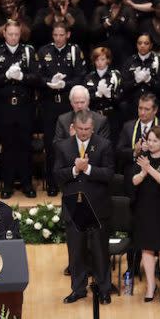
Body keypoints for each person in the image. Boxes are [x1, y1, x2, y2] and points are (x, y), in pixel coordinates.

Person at [55, 111, 114, 304]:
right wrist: (74, 169)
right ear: (73, 127)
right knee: (76, 252)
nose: (83, 133)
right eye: (80, 129)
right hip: (75, 206)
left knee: (100, 251)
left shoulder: (104, 145)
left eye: (87, 129)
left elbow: (109, 174)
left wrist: (87, 169)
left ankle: (104, 289)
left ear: (93, 127)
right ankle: (78, 289)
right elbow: (57, 175)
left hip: (97, 206)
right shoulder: (63, 146)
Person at [0, 20, 41, 199]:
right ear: (4, 33)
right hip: (4, 108)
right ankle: (7, 184)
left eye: (16, 34)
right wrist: (6, 76)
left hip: (25, 107)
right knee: (8, 147)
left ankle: (27, 184)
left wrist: (22, 77)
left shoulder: (28, 51)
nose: (13, 37)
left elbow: (37, 78)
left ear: (20, 34)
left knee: (25, 146)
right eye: (10, 34)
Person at [129, 126, 160, 304]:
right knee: (147, 247)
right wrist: (142, 172)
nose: (150, 143)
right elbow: (133, 181)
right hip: (145, 208)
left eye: (154, 141)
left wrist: (148, 169)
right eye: (148, 140)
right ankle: (151, 286)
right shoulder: (142, 157)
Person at [38, 22, 87, 195]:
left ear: (68, 34)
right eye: (55, 35)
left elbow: (81, 76)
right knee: (52, 145)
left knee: (72, 144)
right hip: (50, 104)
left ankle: (71, 182)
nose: (58, 38)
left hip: (69, 105)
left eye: (61, 35)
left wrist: (65, 84)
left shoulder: (74, 51)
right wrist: (49, 83)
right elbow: (38, 77)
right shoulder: (44, 51)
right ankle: (52, 183)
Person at [116, 93, 160, 169]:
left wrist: (154, 149)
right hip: (133, 170)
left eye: (147, 109)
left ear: (155, 110)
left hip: (156, 170)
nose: (142, 112)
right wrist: (135, 152)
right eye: (140, 108)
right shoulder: (128, 126)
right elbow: (119, 151)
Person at [91, 0, 137, 71]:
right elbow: (93, 32)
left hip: (123, 51)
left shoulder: (127, 10)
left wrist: (121, 19)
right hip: (104, 51)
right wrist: (108, 22)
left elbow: (134, 32)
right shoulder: (100, 10)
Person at [120, 33, 160, 112]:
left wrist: (150, 80)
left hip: (154, 107)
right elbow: (123, 87)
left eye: (146, 43)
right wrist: (135, 81)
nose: (142, 46)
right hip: (134, 107)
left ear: (151, 45)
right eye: (140, 43)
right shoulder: (129, 61)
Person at [83, 47, 123, 139]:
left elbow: (120, 98)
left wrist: (109, 96)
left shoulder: (115, 76)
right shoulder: (89, 77)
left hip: (111, 115)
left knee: (112, 142)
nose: (99, 62)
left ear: (108, 60)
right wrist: (97, 95)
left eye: (102, 59)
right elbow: (85, 98)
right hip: (94, 115)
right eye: (97, 60)